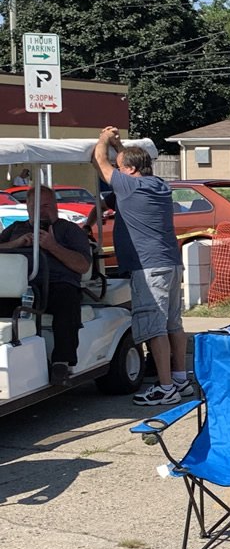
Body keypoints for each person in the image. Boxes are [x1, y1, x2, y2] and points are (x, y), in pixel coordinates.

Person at [88, 126, 189, 405]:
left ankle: (165, 387)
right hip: (169, 263)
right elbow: (126, 165)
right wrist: (121, 147)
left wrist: (104, 139)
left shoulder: (129, 186)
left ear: (130, 171)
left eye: (122, 168)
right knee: (173, 324)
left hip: (148, 268)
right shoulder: (158, 185)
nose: (118, 173)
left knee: (153, 327)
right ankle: (180, 379)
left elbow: (100, 162)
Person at [0, 185, 92, 383]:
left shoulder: (68, 230)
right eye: (36, 206)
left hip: (57, 285)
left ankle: (62, 361)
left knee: (67, 299)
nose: (42, 210)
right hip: (20, 287)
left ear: (56, 206)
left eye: (47, 205)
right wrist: (14, 245)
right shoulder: (16, 228)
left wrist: (52, 246)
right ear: (28, 208)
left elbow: (83, 265)